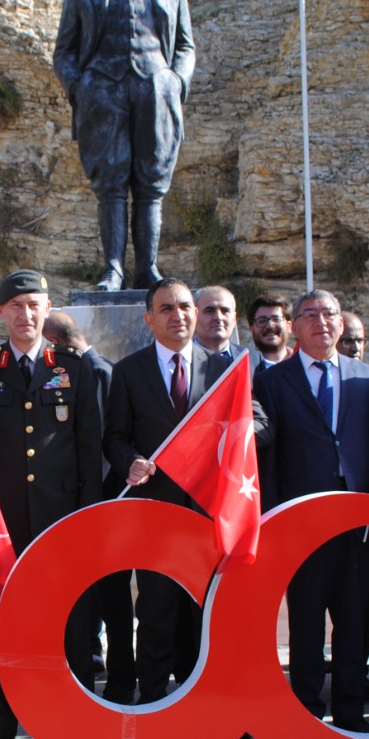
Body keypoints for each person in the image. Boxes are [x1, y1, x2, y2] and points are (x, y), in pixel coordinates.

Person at [107, 279, 265, 710]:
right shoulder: (129, 371)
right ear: (149, 319)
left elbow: (260, 425)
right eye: (166, 309)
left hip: (207, 511)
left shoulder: (223, 370)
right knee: (156, 613)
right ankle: (153, 704)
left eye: (184, 307)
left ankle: (209, 705)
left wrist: (230, 441)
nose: (178, 315)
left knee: (206, 615)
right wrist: (130, 461)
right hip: (155, 514)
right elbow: (114, 438)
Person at [0, 271, 103, 739]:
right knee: (5, 621)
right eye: (16, 306)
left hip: (61, 517)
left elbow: (89, 447)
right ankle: (2, 723)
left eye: (34, 305)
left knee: (69, 618)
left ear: (48, 310)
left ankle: (71, 717)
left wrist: (85, 517)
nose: (26, 315)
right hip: (3, 522)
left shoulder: (73, 366)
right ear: (1, 313)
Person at [258, 289, 369, 732]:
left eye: (329, 313)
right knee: (306, 621)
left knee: (355, 617)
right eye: (308, 314)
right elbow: (266, 453)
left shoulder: (368, 378)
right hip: (301, 518)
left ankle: (351, 709)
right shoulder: (272, 381)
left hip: (357, 518)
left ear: (342, 323)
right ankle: (306, 710)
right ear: (294, 326)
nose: (321, 322)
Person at [53, 0, 195, 292]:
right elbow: (64, 51)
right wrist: (80, 87)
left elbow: (184, 46)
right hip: (103, 91)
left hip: (155, 89)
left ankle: (147, 268)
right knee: (111, 183)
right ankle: (113, 268)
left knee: (152, 182)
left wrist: (176, 81)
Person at [43, 309, 132, 702]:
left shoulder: (96, 372)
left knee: (112, 601)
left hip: (103, 505)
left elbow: (104, 446)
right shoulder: (91, 369)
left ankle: (119, 681)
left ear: (57, 343)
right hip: (86, 502)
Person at [195, 286, 245, 359]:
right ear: (194, 316)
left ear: (234, 319)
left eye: (225, 311)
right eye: (209, 311)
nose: (218, 317)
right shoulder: (181, 360)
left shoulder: (253, 360)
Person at [247, 296, 291, 369]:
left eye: (276, 319)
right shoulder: (243, 368)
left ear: (289, 326)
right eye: (262, 321)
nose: (270, 326)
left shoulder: (304, 365)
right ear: (252, 329)